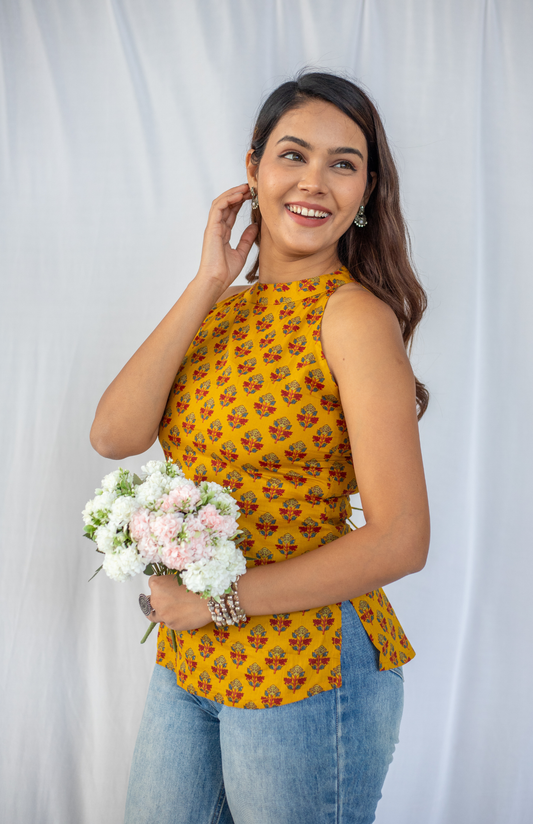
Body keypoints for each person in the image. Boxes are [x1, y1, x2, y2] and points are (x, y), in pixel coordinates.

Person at [90, 70, 430, 824]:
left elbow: (402, 539)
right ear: (253, 169)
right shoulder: (222, 308)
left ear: (366, 191)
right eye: (293, 155)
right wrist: (209, 280)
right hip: (193, 658)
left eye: (343, 164)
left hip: (306, 664)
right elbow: (113, 434)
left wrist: (216, 603)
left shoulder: (352, 317)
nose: (314, 182)